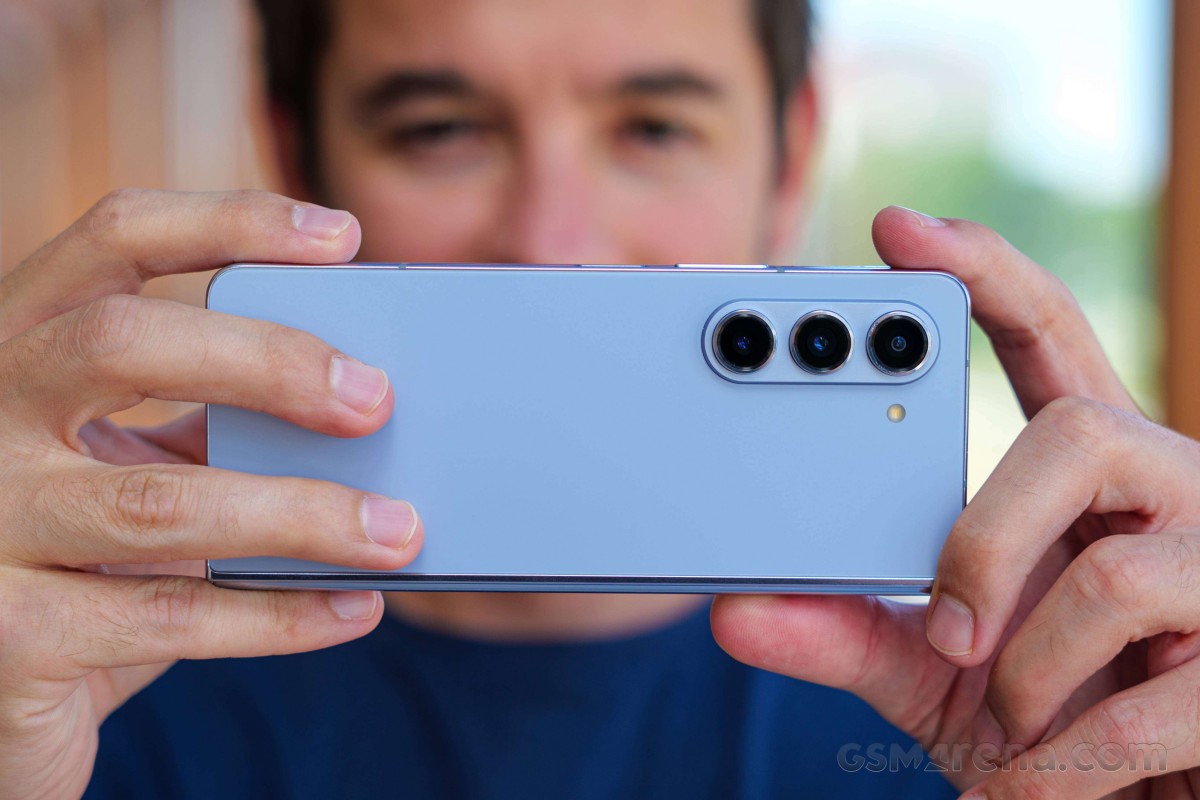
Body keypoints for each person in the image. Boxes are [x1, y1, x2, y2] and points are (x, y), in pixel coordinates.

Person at [0, 0, 1195, 797]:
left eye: (655, 126)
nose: (551, 237)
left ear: (791, 158)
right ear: (296, 160)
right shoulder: (73, 683)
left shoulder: (1011, 706)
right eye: (440, 128)